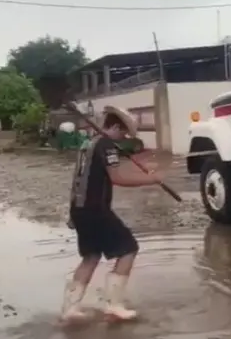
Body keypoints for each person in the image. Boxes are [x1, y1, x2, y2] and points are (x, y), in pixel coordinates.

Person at [60, 112, 163, 323]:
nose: (123, 139)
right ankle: (114, 306)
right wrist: (150, 179)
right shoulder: (106, 145)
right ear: (116, 127)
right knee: (129, 249)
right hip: (96, 209)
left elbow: (78, 179)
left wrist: (73, 213)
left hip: (80, 209)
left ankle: (70, 309)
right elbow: (118, 177)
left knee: (91, 256)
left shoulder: (88, 144)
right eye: (123, 134)